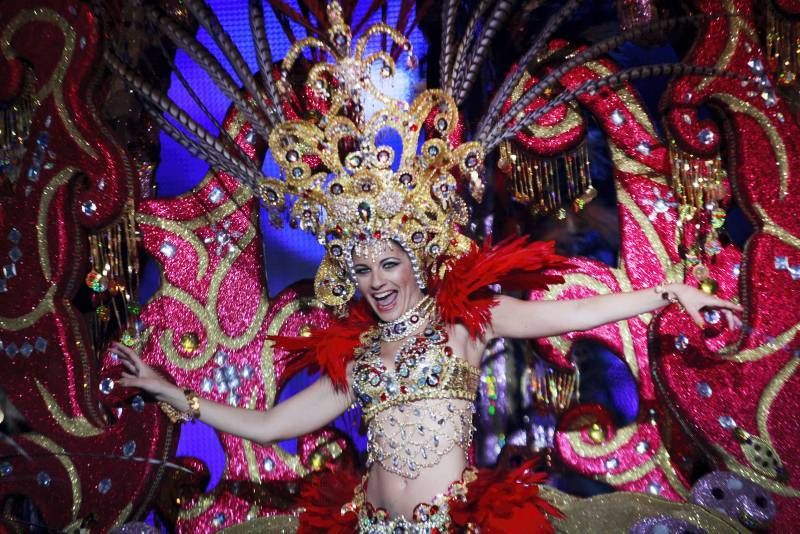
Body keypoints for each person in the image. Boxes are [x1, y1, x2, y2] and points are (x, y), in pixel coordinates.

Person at [113, 236, 741, 531]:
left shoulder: (468, 322)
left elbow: (575, 313)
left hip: (460, 524)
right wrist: (176, 396)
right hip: (368, 524)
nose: (376, 281)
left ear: (417, 258)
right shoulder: (358, 351)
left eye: (388, 263)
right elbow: (273, 425)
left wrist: (669, 293)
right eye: (361, 270)